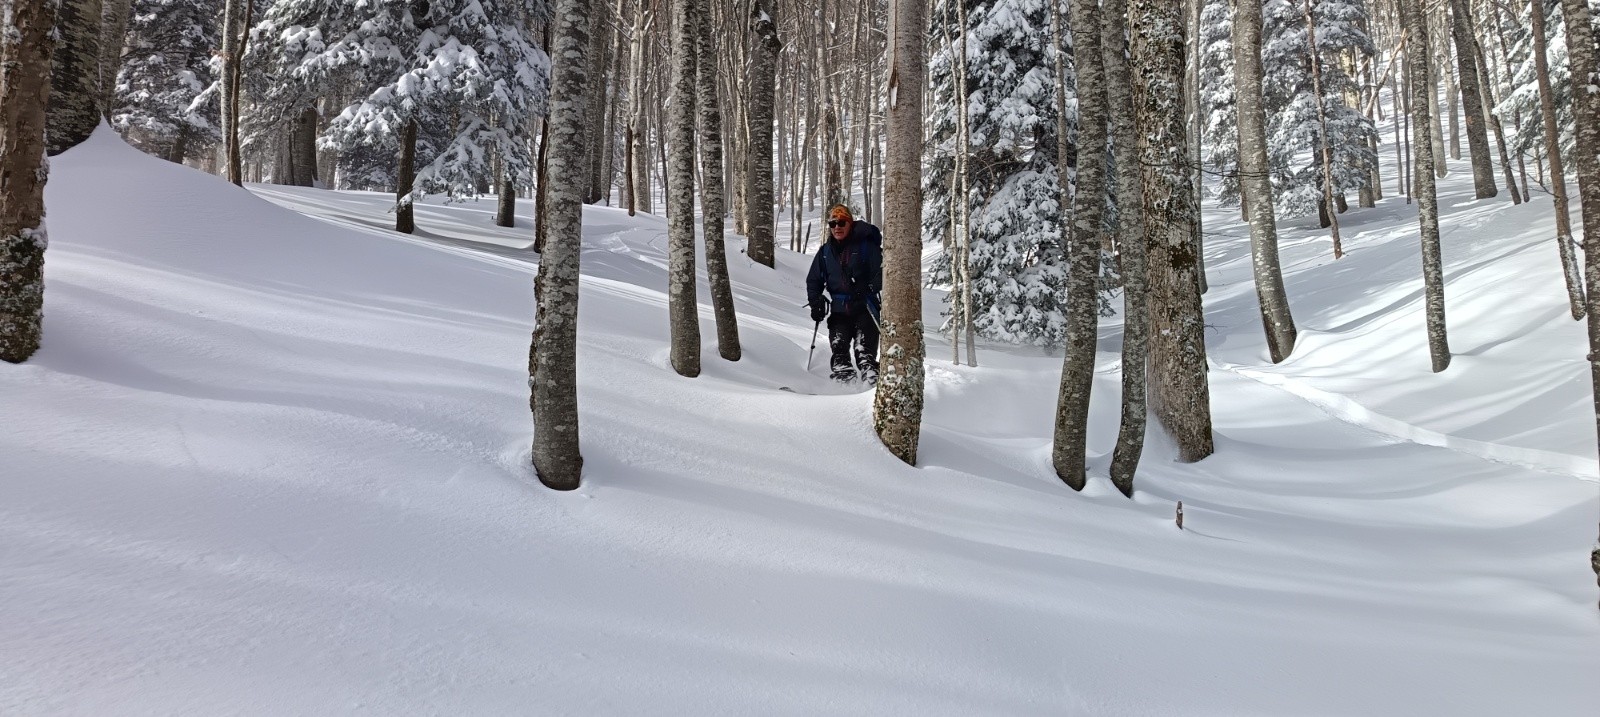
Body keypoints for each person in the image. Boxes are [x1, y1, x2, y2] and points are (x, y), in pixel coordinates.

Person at [806, 204, 883, 385]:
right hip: (839, 311)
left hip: (865, 308)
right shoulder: (825, 252)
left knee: (864, 354)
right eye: (833, 224)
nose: (837, 227)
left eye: (841, 222)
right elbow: (813, 280)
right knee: (839, 351)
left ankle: (871, 393)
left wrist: (869, 287)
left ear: (850, 223)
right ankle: (843, 394)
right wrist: (815, 301)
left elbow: (884, 272)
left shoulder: (867, 247)